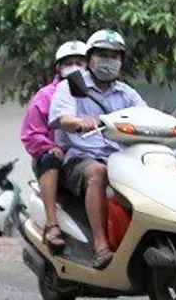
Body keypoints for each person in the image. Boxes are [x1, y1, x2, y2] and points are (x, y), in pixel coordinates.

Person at [49, 28, 146, 268]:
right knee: (98, 172)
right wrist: (78, 122)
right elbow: (63, 118)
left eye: (114, 56)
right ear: (90, 57)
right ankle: (100, 247)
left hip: (120, 159)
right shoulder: (72, 85)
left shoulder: (127, 93)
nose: (109, 61)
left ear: (121, 60)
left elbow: (146, 115)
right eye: (102, 54)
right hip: (79, 158)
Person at [19, 39, 86, 252]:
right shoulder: (46, 95)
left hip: (85, 157)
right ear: (59, 67)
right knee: (51, 158)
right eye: (70, 62)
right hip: (54, 157)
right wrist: (49, 147)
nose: (75, 67)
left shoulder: (95, 93)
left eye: (80, 62)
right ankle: (52, 224)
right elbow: (31, 134)